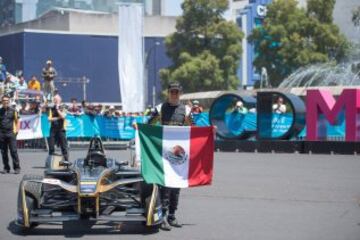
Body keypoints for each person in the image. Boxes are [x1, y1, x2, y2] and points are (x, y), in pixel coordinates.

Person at [149, 82, 192, 231]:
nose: (174, 94)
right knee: (165, 185)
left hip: (180, 154)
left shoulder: (186, 110)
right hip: (165, 153)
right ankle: (163, 216)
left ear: (180, 93)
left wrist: (210, 131)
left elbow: (194, 128)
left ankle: (172, 216)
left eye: (177, 92)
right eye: (172, 92)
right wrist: (138, 127)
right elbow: (149, 124)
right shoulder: (160, 108)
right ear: (168, 93)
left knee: (177, 185)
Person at [0, 95, 21, 174]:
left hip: (11, 133)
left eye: (7, 100)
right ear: (1, 102)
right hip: (2, 134)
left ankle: (17, 167)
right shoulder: (0, 111)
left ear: (9, 101)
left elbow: (17, 121)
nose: (5, 101)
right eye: (4, 100)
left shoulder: (13, 110)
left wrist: (17, 131)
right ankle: (6, 168)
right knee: (3, 152)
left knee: (13, 151)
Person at [48, 94, 69, 163]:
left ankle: (66, 160)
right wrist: (57, 118)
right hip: (53, 128)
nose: (55, 101)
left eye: (56, 99)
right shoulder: (52, 108)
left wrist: (57, 110)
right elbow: (49, 119)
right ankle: (50, 161)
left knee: (63, 146)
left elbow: (63, 116)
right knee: (51, 145)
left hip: (61, 129)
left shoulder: (64, 106)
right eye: (54, 99)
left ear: (60, 100)